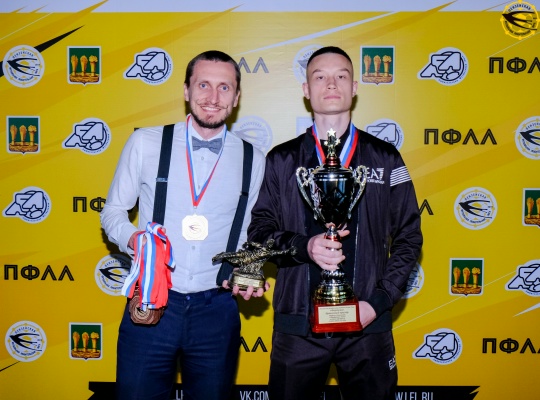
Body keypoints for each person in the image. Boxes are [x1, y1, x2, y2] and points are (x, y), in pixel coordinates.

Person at [247, 46, 423, 400]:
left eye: (341, 76)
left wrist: (378, 302)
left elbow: (409, 237)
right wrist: (305, 247)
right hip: (298, 327)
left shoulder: (385, 157)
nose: (331, 84)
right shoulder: (281, 159)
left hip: (367, 325)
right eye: (320, 76)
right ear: (306, 89)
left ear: (354, 87)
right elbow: (259, 235)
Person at [100, 50, 266, 400]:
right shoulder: (145, 142)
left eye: (224, 87)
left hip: (217, 309)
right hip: (152, 300)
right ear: (186, 90)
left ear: (236, 97)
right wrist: (135, 240)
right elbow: (113, 212)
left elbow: (251, 232)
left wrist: (249, 270)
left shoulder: (254, 159)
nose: (213, 97)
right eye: (203, 85)